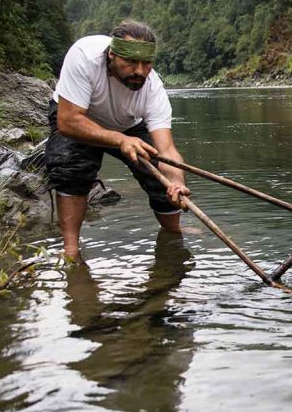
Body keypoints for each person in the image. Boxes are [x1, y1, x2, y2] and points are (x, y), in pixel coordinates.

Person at [45, 20, 190, 259]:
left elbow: (167, 150)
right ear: (112, 55)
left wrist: (175, 181)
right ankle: (71, 250)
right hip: (79, 115)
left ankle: (173, 233)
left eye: (146, 63)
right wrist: (119, 140)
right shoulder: (84, 56)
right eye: (131, 62)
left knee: (160, 178)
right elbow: (68, 121)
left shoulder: (153, 88)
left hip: (129, 125)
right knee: (71, 169)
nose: (140, 71)